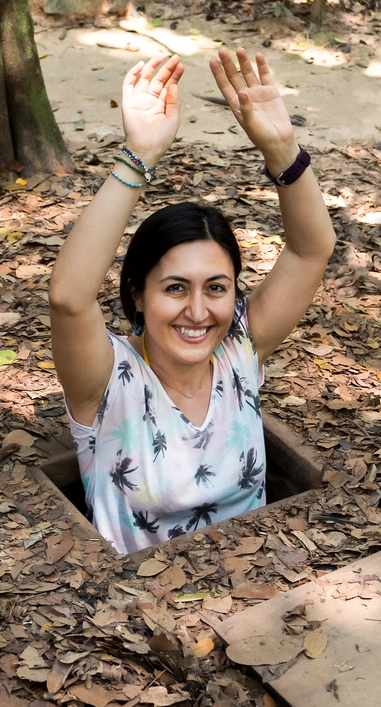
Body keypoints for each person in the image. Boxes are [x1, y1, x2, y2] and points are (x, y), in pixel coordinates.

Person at [48, 49, 336, 554]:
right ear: (137, 292)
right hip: (139, 613)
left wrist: (283, 148)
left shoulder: (239, 350)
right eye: (175, 288)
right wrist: (139, 156)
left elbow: (312, 249)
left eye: (217, 288)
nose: (199, 312)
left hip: (259, 587)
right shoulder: (106, 381)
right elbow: (69, 298)